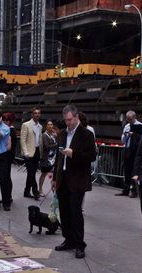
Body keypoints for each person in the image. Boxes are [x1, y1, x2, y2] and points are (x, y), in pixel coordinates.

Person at [52, 104, 97, 259]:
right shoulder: (63, 134)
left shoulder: (86, 134)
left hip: (77, 180)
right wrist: (55, 178)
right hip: (63, 178)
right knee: (64, 211)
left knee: (75, 212)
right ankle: (68, 239)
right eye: (66, 120)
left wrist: (74, 154)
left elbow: (92, 156)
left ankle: (79, 244)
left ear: (77, 117)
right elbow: (59, 157)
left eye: (70, 120)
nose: (68, 123)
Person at [117, 110, 142, 197]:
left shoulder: (141, 126)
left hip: (136, 150)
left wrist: (134, 134)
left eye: (130, 119)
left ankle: (134, 191)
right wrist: (126, 135)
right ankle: (125, 189)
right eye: (127, 119)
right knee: (127, 170)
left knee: (134, 170)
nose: (128, 121)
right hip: (128, 149)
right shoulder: (127, 126)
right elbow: (123, 140)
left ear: (134, 117)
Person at [21, 107, 42, 199]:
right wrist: (25, 152)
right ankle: (35, 192)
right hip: (28, 153)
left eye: (38, 113)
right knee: (32, 173)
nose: (37, 114)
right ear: (32, 114)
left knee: (31, 173)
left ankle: (26, 191)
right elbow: (22, 140)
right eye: (35, 113)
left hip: (37, 151)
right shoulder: (26, 125)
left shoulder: (40, 126)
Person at [39, 120, 58, 197]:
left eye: (51, 124)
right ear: (46, 126)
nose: (50, 126)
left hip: (53, 158)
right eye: (49, 125)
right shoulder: (44, 135)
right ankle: (40, 189)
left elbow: (56, 143)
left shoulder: (53, 135)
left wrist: (56, 137)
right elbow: (46, 146)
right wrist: (56, 144)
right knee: (43, 174)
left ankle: (55, 192)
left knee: (53, 175)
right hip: (46, 158)